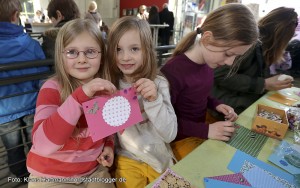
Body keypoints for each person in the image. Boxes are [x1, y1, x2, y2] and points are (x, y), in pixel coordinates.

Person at [160, 3, 259, 161]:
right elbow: (163, 123)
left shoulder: (208, 63)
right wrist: (206, 131)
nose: (230, 63)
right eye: (228, 53)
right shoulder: (173, 72)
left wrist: (216, 104)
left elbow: (197, 95)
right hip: (179, 139)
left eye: (236, 57)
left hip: (200, 129)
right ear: (207, 39)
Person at [26, 19, 116, 188]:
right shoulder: (52, 89)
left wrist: (109, 146)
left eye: (90, 51)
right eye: (72, 52)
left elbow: (107, 128)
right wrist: (79, 98)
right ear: (61, 56)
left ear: (102, 56)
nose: (82, 59)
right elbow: (43, 145)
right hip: (49, 176)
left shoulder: (104, 89)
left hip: (92, 171)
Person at [106, 16, 177, 188]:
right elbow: (107, 130)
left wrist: (154, 100)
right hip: (127, 159)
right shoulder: (109, 85)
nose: (125, 57)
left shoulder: (159, 83)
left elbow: (170, 134)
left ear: (146, 50)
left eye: (134, 49)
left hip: (160, 158)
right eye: (118, 49)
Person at [213, 7, 298, 115]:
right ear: (283, 38)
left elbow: (253, 73)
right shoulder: (249, 44)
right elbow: (220, 75)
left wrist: (272, 81)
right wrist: (264, 84)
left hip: (240, 99)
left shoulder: (265, 47)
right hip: (225, 106)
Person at [0, 0, 48, 179]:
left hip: (3, 112)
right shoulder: (31, 44)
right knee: (35, 142)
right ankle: (37, 171)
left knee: (12, 148)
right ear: (15, 16)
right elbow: (43, 76)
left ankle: (19, 174)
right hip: (31, 105)